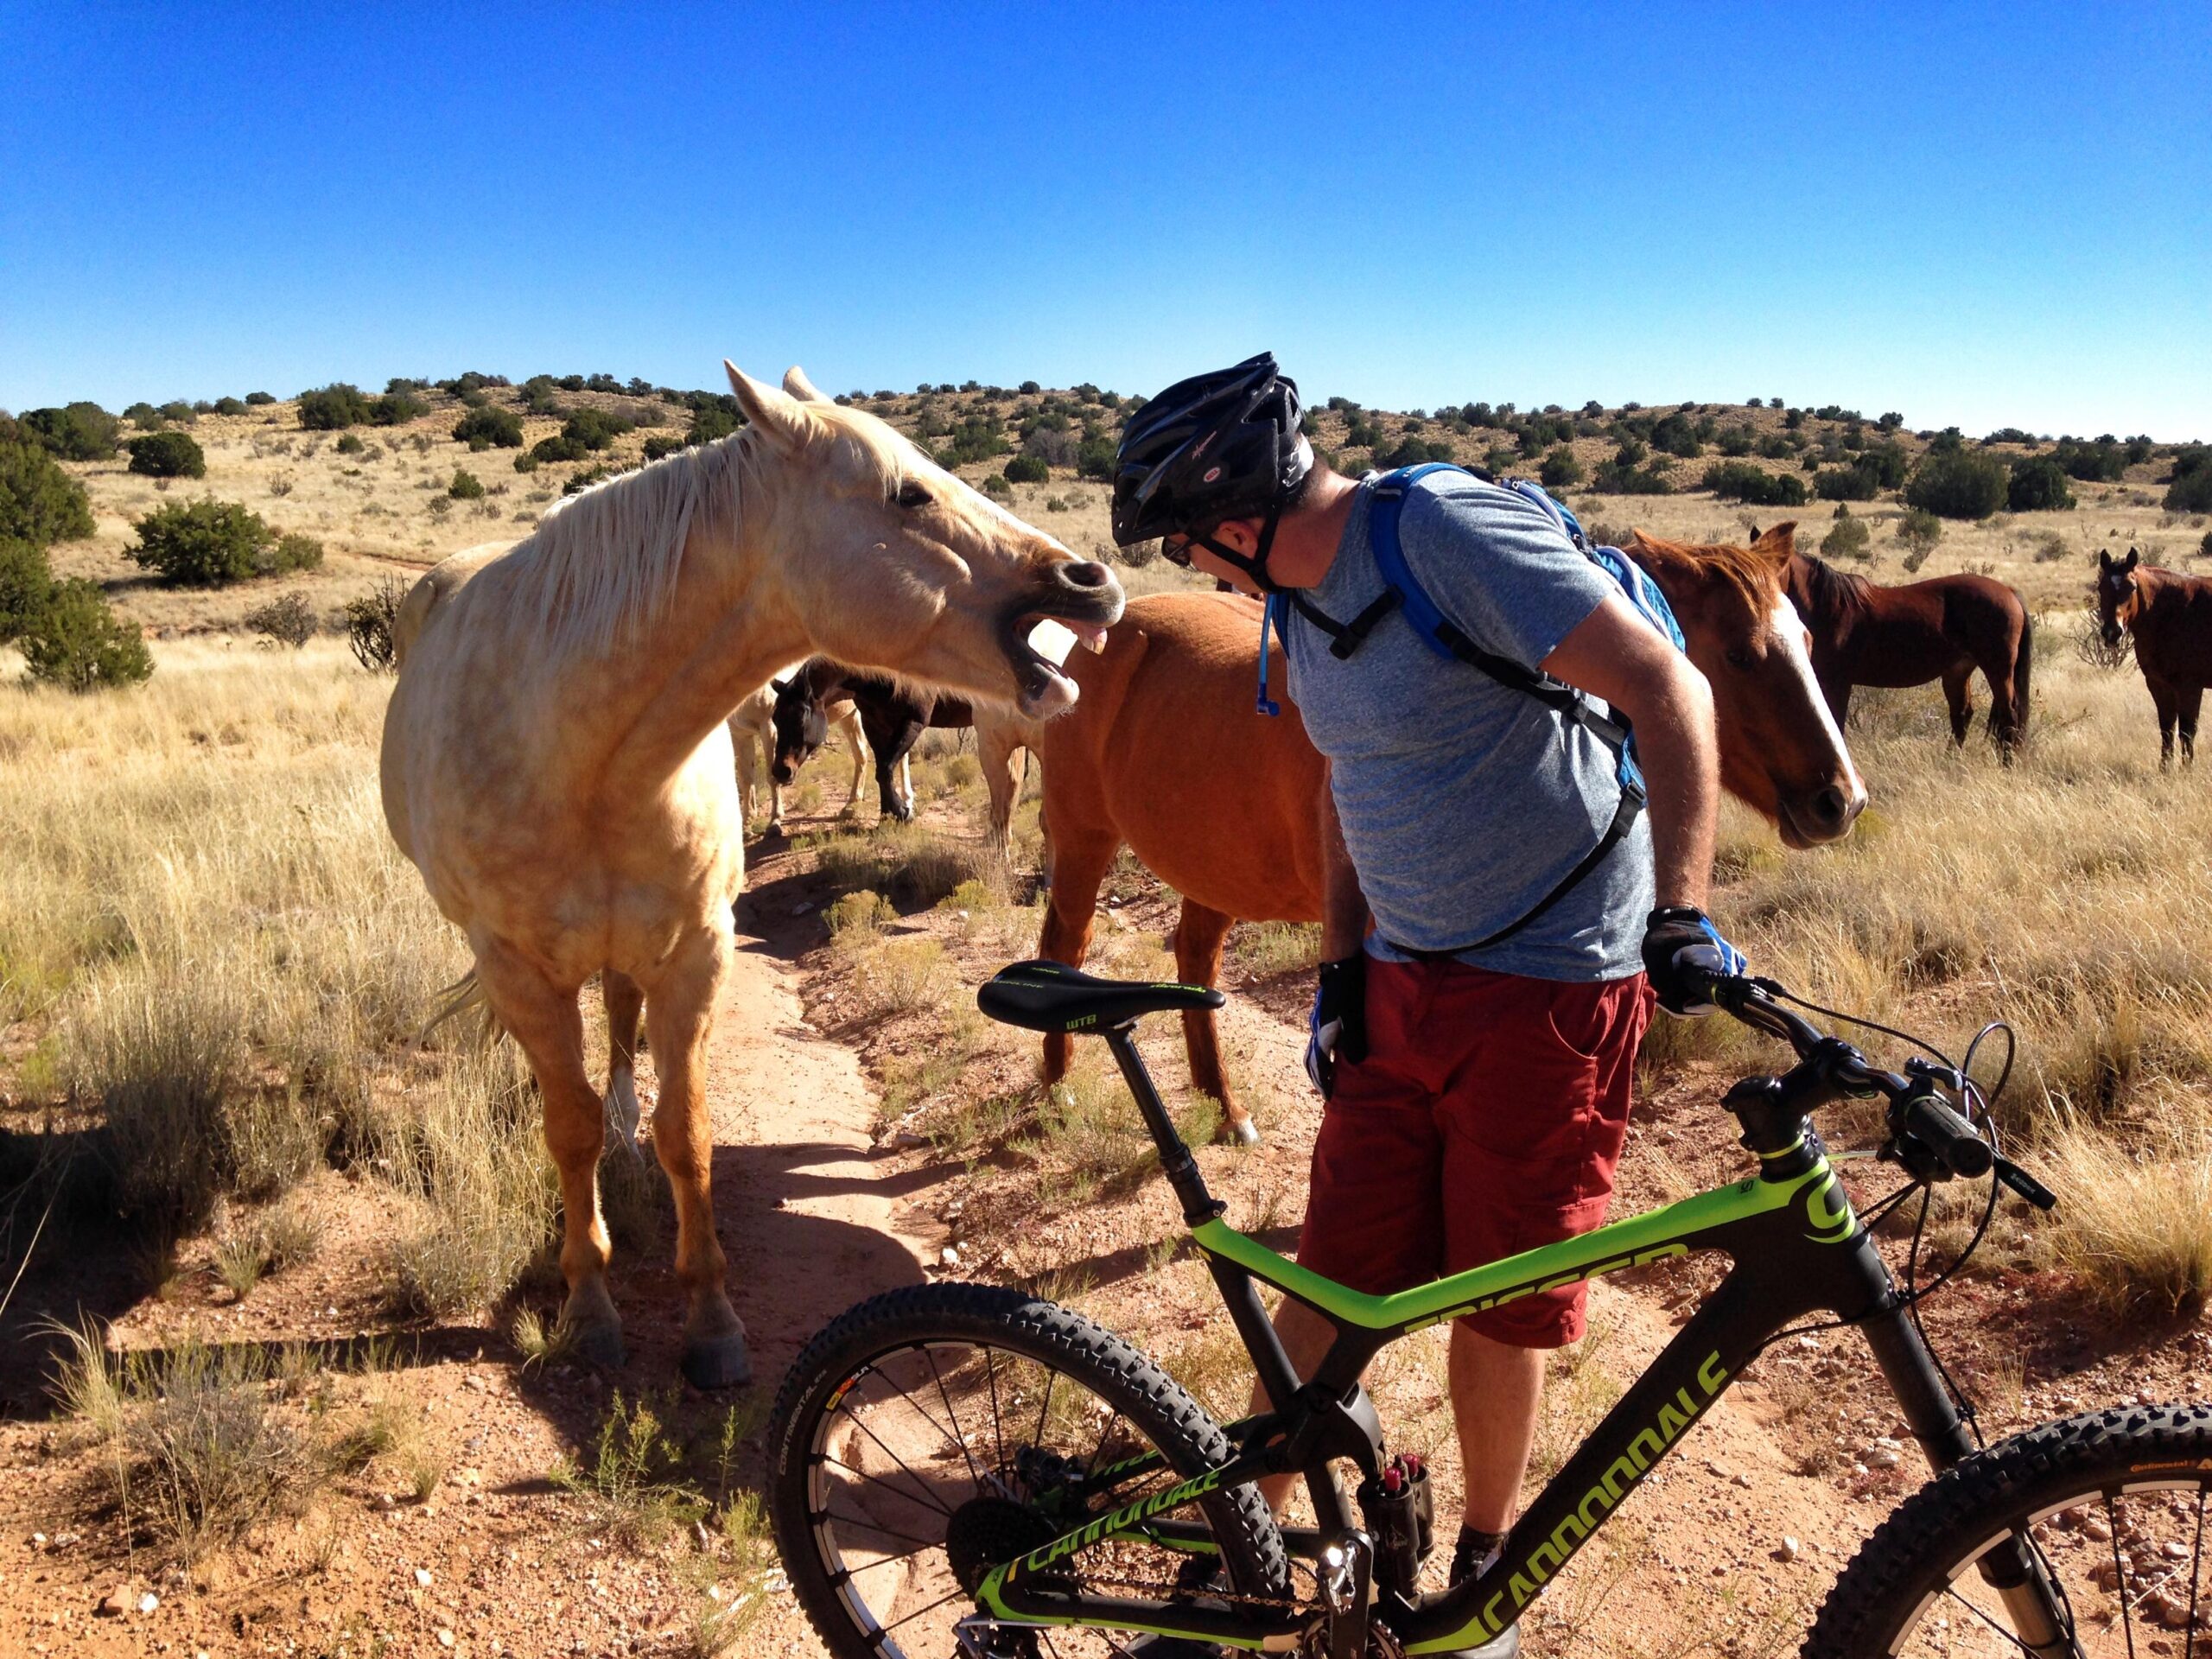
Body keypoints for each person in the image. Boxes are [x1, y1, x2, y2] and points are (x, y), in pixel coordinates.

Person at [1109, 353, 1745, 1657]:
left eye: (1194, 547)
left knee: (1504, 1299)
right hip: (1403, 981)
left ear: (1235, 519)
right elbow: (1352, 783)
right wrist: (1344, 966)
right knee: (1334, 1274)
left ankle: (1477, 1583)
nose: (1207, 577)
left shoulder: (1444, 535)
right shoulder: (1294, 602)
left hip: (1555, 984)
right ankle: (1232, 1566)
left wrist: (1680, 913)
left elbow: (1670, 693)